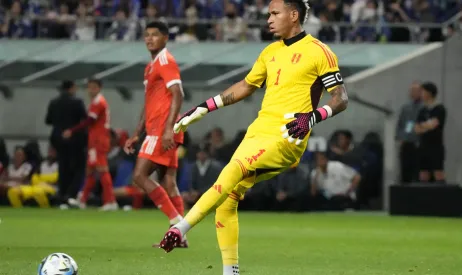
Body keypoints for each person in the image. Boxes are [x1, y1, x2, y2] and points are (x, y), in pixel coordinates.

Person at [158, 1, 349, 274]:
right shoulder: (270, 52)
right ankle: (230, 271)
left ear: (294, 15)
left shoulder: (320, 52)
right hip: (258, 131)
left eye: (274, 13)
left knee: (233, 170)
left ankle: (181, 227)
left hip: (288, 134)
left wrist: (313, 117)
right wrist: (204, 107)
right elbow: (247, 85)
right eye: (268, 14)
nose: (268, 19)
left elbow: (340, 98)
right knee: (228, 199)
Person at [123, 21, 187, 245]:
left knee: (139, 176)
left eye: (154, 35)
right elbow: (149, 102)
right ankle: (181, 236)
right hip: (159, 127)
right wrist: (136, 134)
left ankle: (177, 221)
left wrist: (168, 128)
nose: (149, 39)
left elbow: (178, 94)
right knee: (168, 181)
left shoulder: (165, 61)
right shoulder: (150, 67)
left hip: (163, 128)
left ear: (165, 38)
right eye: (146, 35)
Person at [64, 78, 117, 210]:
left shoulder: (98, 102)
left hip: (99, 141)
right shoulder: (97, 101)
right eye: (89, 87)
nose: (91, 90)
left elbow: (90, 120)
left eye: (93, 87)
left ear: (99, 88)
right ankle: (82, 200)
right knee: (91, 171)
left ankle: (110, 201)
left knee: (102, 169)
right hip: (95, 140)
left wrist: (72, 130)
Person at [45, 80, 88, 207]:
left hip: (57, 138)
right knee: (78, 168)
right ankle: (71, 195)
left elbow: (48, 120)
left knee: (63, 166)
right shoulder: (77, 102)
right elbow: (84, 120)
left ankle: (62, 194)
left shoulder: (54, 102)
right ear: (72, 88)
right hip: (75, 140)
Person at [414, 82, 446, 183]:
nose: (421, 94)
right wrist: (426, 126)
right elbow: (416, 129)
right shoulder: (422, 111)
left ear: (429, 93)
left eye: (422, 91)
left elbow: (434, 124)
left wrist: (425, 125)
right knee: (423, 174)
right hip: (423, 146)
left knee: (438, 173)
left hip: (436, 146)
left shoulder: (440, 109)